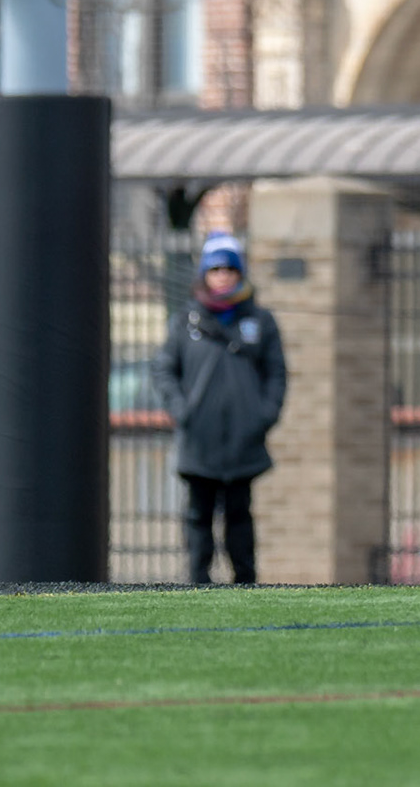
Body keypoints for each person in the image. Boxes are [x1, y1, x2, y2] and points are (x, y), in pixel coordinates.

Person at [152, 233, 286, 585]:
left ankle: (245, 581)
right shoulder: (185, 321)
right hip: (199, 437)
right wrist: (183, 411)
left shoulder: (261, 321)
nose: (223, 275)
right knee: (199, 514)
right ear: (204, 275)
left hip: (244, 437)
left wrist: (264, 415)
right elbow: (164, 368)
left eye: (229, 268)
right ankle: (198, 580)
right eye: (215, 269)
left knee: (240, 514)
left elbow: (276, 374)